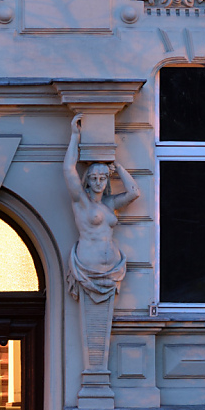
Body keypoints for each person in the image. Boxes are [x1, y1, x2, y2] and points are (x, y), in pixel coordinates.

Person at [63, 114, 140, 302]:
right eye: (94, 178)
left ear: (107, 180)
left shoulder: (110, 203)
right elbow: (68, 169)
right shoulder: (81, 201)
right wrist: (75, 136)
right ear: (88, 181)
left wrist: (118, 167)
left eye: (103, 178)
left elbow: (133, 193)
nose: (98, 182)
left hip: (113, 268)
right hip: (88, 267)